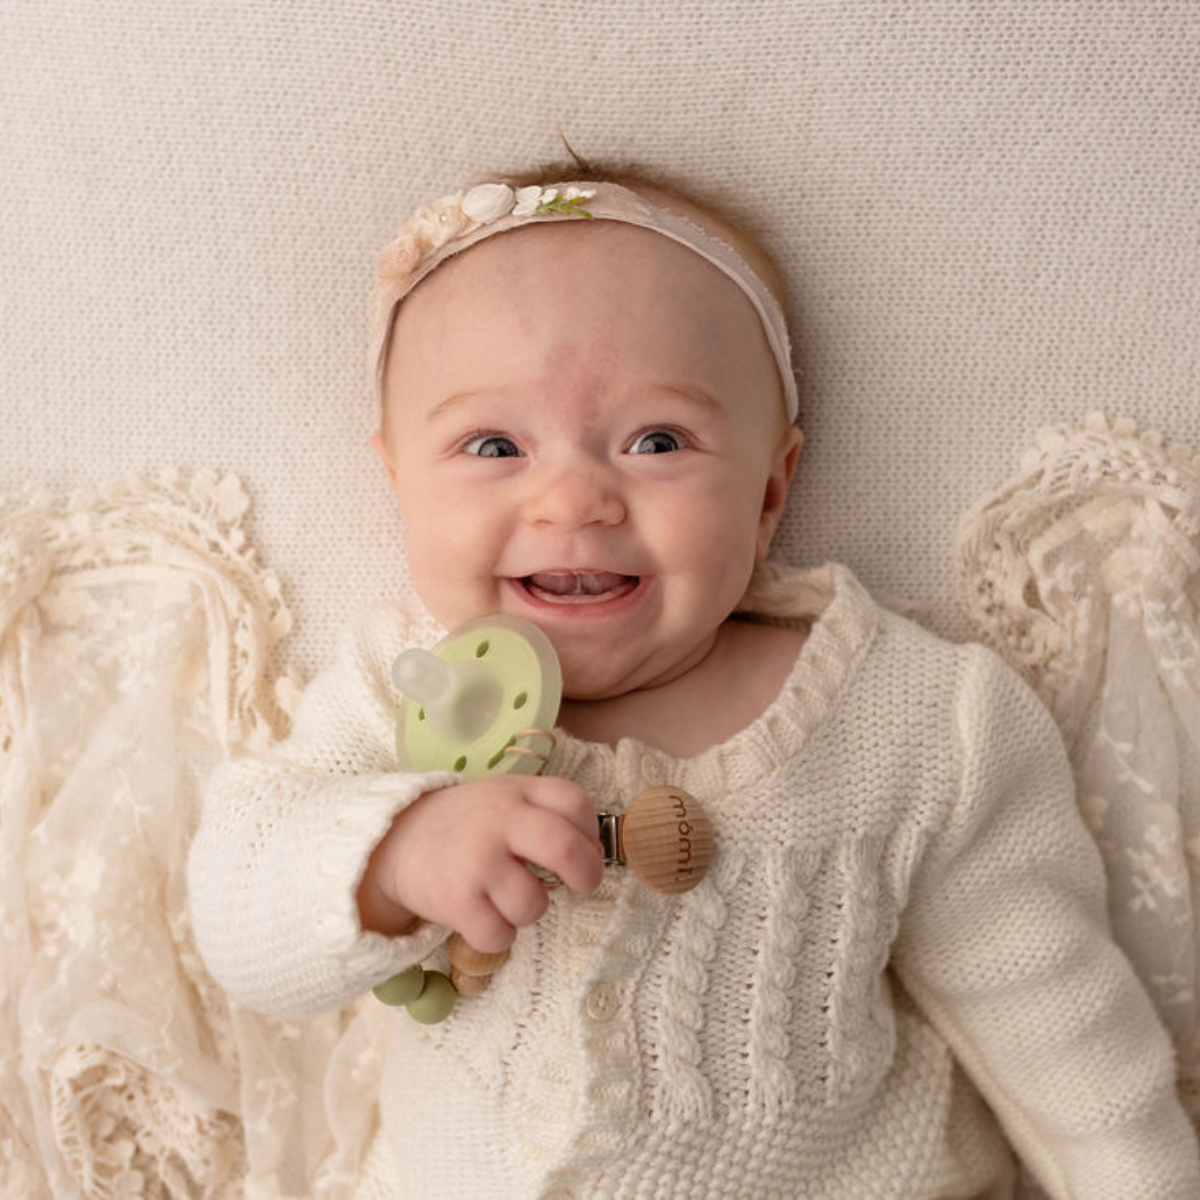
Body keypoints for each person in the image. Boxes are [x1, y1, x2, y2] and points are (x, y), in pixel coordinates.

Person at [187, 161, 1200, 1198]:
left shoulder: (922, 723)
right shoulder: (401, 690)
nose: (574, 498)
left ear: (768, 492)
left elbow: (1062, 1030)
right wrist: (393, 855)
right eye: (494, 445)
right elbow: (236, 915)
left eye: (657, 440)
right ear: (400, 480)